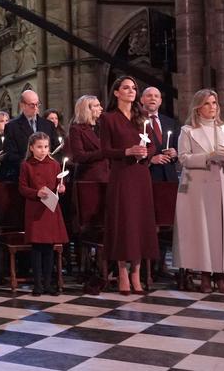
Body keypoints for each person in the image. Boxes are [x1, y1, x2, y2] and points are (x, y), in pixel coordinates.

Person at [173, 89, 224, 294]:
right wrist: (207, 157)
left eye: (215, 103)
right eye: (208, 103)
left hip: (223, 184)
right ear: (198, 107)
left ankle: (221, 274)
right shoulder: (188, 130)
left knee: (223, 229)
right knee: (203, 229)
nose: (212, 107)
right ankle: (205, 274)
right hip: (199, 186)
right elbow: (183, 158)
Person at [101, 76, 158, 295]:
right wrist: (126, 151)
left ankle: (137, 273)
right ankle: (122, 272)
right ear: (116, 92)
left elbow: (152, 144)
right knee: (124, 222)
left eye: (134, 88)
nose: (131, 91)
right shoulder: (109, 118)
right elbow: (105, 150)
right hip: (122, 175)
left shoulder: (141, 116)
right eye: (126, 88)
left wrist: (146, 152)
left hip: (141, 174)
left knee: (140, 222)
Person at [18, 132, 69, 296]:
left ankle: (48, 283)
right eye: (39, 147)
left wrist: (61, 188)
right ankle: (37, 284)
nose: (43, 150)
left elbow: (58, 185)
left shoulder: (54, 165)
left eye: (46, 147)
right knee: (37, 249)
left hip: (50, 209)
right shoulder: (26, 165)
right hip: (35, 210)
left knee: (49, 248)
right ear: (31, 148)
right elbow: (22, 188)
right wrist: (36, 193)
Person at [2, 90, 58, 180]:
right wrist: (30, 168)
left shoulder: (48, 125)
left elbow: (56, 149)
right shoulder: (12, 127)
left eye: (37, 104)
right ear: (22, 105)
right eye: (32, 105)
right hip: (25, 175)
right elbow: (11, 154)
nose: (35, 108)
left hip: (47, 174)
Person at [140, 87, 179, 182]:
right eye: (149, 96)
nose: (153, 98)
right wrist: (150, 160)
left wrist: (175, 153)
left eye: (156, 96)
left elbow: (178, 148)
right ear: (142, 100)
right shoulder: (135, 122)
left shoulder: (170, 122)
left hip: (170, 177)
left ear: (160, 101)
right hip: (147, 176)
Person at [67, 95, 109, 182]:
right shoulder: (76, 129)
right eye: (96, 106)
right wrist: (104, 152)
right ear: (87, 109)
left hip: (108, 175)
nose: (101, 108)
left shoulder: (103, 126)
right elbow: (79, 156)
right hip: (90, 176)